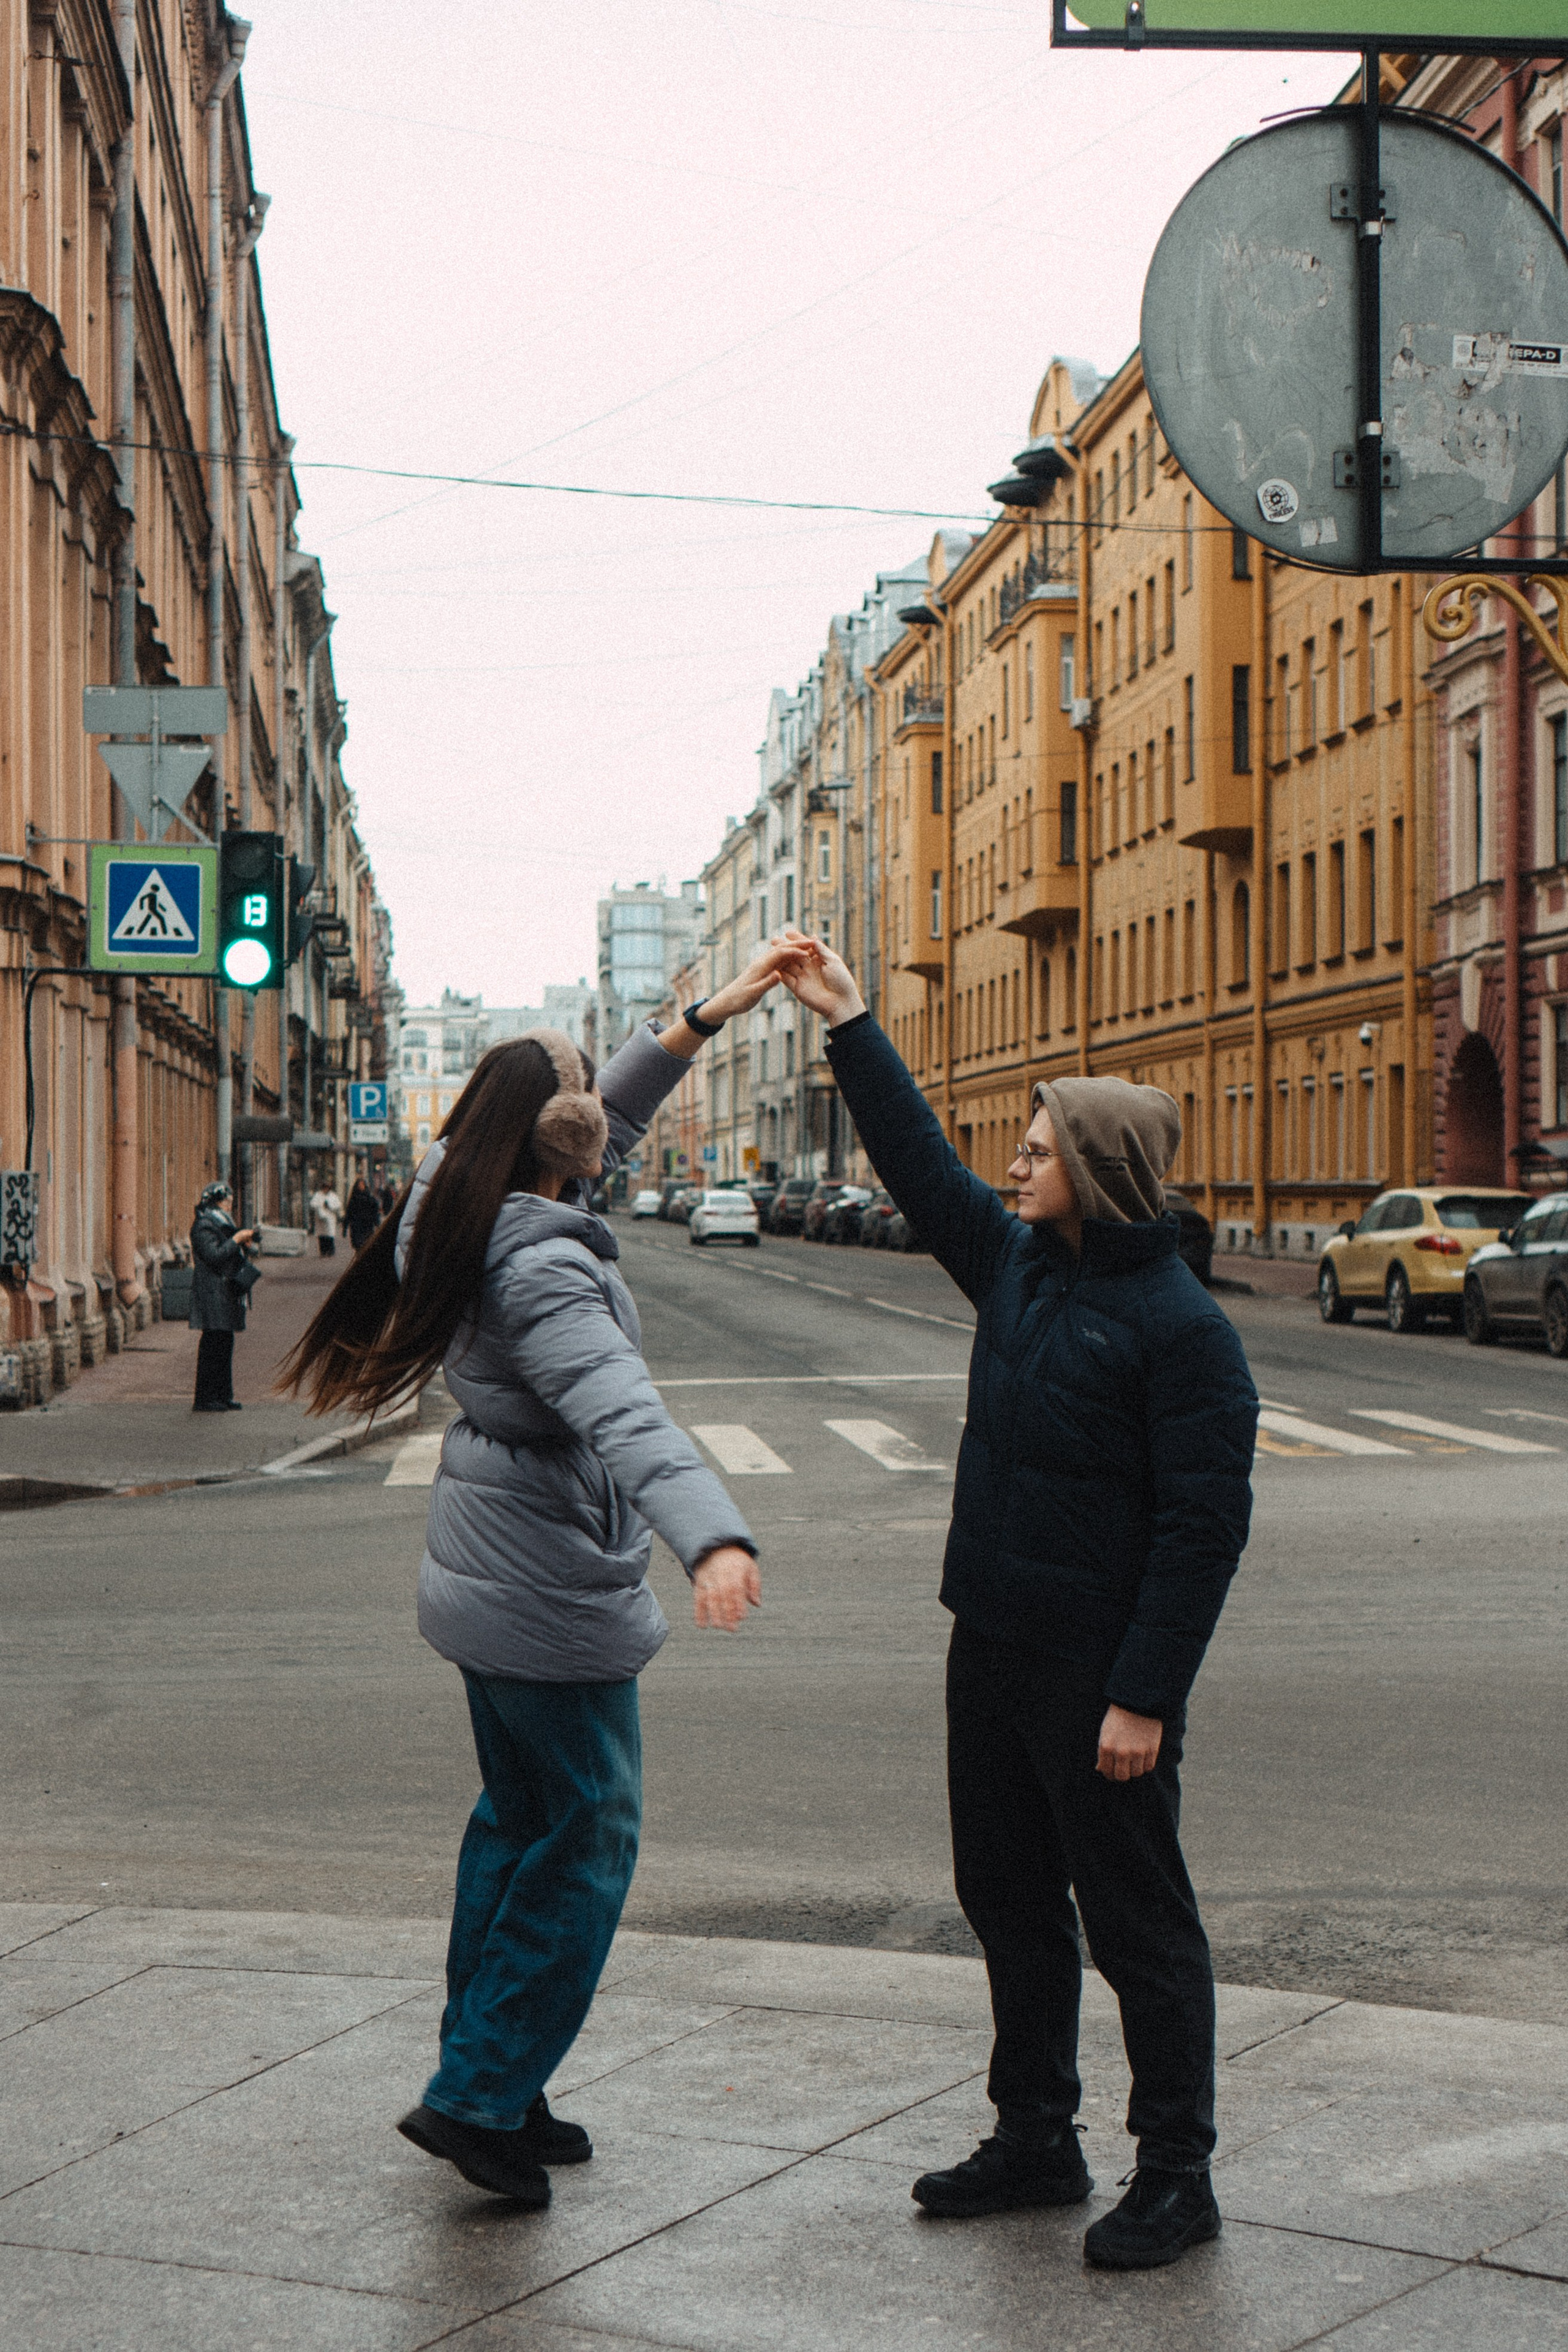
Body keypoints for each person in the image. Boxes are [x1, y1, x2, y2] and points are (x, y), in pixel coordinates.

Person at [282, 946, 793, 2209]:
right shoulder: (546, 1261)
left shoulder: (451, 1199)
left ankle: (498, 2073)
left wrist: (697, 1022)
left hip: (488, 1564)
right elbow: (623, 1411)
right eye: (581, 1118)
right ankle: (478, 2094)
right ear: (555, 1140)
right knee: (586, 1837)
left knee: (518, 1827)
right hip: (549, 1581)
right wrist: (711, 1534)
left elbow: (593, 1110)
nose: (599, 1132)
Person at [778, 932, 1257, 2274]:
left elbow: (1202, 1529)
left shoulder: (1181, 1330)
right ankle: (1035, 2136)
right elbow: (923, 1174)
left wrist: (1143, 1695)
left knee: (1137, 1925)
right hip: (986, 1642)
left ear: (1093, 1172)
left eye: (1037, 1150)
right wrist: (849, 1024)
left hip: (1095, 1672)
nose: (1015, 1164)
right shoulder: (1021, 1272)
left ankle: (1177, 2173)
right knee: (1002, 1893)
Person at [188, 1181, 260, 1413]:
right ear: (217, 1202)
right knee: (212, 1345)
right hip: (212, 1292)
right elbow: (214, 1255)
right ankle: (205, 1398)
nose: (231, 1206)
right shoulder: (204, 1226)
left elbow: (231, 1252)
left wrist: (244, 1244)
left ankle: (224, 1395)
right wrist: (237, 1240)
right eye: (228, 1201)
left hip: (226, 1291)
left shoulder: (222, 1223)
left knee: (225, 1344)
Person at [345, 1175, 380, 1251]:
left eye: (363, 1185)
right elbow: (349, 1213)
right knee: (358, 1245)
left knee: (367, 1245)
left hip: (367, 1226)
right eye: (359, 1185)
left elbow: (375, 1212)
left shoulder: (370, 1199)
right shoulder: (354, 1199)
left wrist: (377, 1223)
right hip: (356, 1226)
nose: (361, 1187)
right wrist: (345, 1227)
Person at [309, 1182, 342, 1257]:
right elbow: (313, 1204)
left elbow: (338, 1205)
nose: (326, 1190)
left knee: (330, 1236)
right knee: (322, 1236)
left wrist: (330, 1206)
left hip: (330, 1218)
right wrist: (320, 1206)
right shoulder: (318, 1195)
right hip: (320, 1219)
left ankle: (330, 1251)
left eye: (327, 1188)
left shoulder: (333, 1196)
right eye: (325, 1188)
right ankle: (323, 1251)